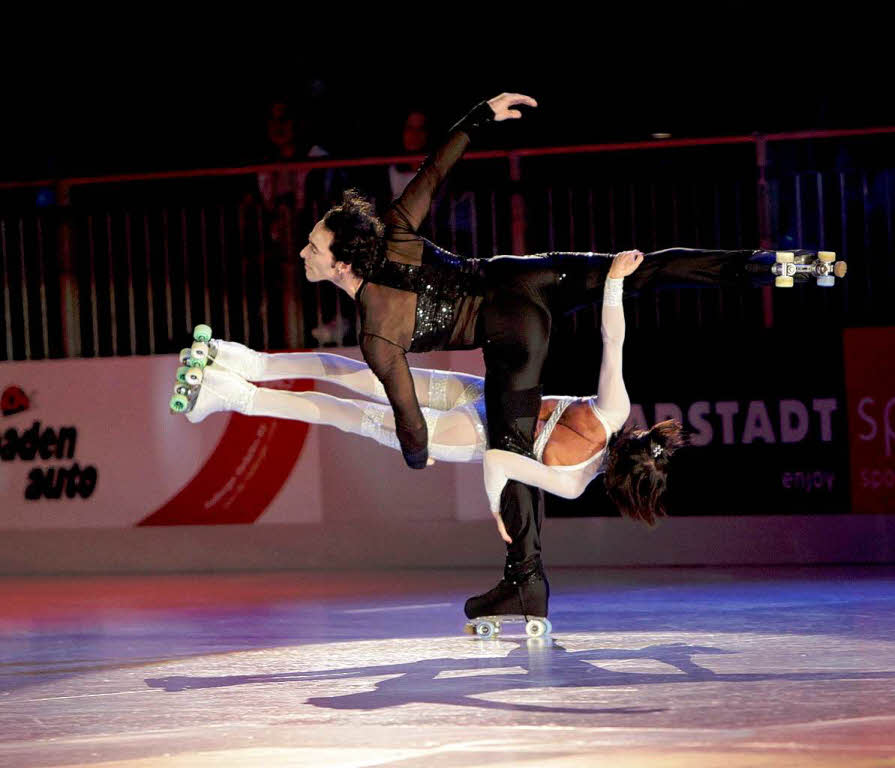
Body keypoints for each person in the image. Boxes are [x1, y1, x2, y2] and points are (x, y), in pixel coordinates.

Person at [221, 91, 839, 623]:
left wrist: (418, 456)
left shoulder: (378, 335)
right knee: (645, 271)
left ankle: (527, 581)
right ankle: (784, 266)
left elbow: (411, 429)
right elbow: (436, 171)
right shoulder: (396, 228)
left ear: (342, 264)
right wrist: (479, 115)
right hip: (528, 278)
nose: (303, 248)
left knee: (512, 450)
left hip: (513, 337)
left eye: (312, 244)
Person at [179, 250, 686, 622]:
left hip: (478, 398)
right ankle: (230, 391)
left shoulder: (611, 412)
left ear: (639, 440)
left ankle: (234, 361)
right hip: (467, 430)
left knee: (354, 374)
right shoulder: (573, 482)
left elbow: (611, 337)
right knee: (343, 411)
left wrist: (616, 281)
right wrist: (496, 506)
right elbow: (498, 464)